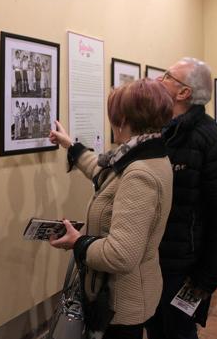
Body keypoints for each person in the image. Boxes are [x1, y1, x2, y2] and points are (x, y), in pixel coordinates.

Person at [48, 78, 174, 339]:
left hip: (121, 305)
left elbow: (120, 255)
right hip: (122, 297)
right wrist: (70, 145)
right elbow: (103, 173)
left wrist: (78, 242)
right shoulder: (146, 155)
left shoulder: (140, 173)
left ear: (123, 119)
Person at [144, 57, 217, 339]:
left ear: (184, 92)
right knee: (156, 328)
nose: (158, 80)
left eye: (166, 76)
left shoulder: (211, 140)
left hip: (184, 269)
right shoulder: (164, 131)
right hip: (156, 259)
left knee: (178, 331)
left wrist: (207, 276)